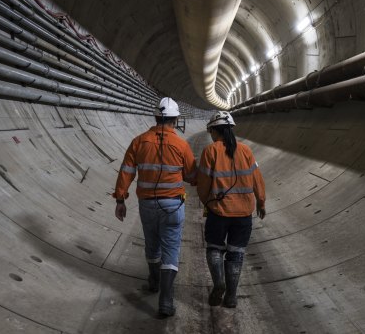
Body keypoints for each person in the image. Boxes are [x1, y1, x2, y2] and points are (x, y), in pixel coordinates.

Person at [113, 97, 197, 317]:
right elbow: (191, 175)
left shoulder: (139, 141)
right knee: (171, 249)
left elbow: (126, 172)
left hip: (147, 204)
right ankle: (166, 301)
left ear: (155, 117)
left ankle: (154, 281)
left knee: (152, 244)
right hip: (173, 205)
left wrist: (120, 200)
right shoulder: (181, 144)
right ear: (176, 119)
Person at [197, 110, 266, 308]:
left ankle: (219, 283)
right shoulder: (246, 151)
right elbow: (257, 179)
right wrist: (261, 202)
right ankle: (231, 296)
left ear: (214, 131)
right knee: (236, 253)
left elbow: (203, 184)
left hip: (219, 212)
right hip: (244, 214)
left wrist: (208, 204)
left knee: (214, 248)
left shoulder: (211, 151)